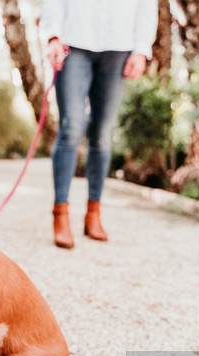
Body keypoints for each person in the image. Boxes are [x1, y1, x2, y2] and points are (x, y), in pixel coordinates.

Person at [41, 0, 158, 248]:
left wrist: (141, 49)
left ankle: (93, 213)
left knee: (102, 134)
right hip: (73, 42)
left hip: (119, 45)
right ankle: (60, 214)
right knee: (71, 127)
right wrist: (53, 35)